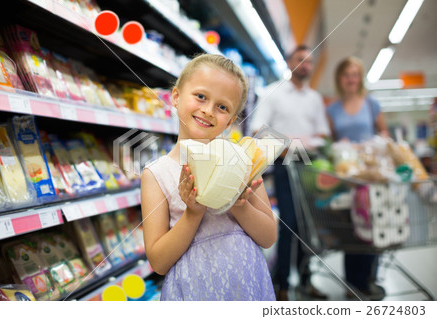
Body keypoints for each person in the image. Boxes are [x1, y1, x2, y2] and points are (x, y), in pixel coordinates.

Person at [141, 54, 277, 301]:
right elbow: (158, 262)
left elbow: (268, 238)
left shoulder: (243, 161)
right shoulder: (156, 175)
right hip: (193, 292)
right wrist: (192, 213)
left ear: (232, 120)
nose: (208, 110)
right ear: (176, 96)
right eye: (201, 96)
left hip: (247, 286)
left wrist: (238, 204)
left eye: (222, 107)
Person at [249, 45, 330, 300]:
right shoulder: (273, 92)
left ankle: (306, 281)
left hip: (310, 166)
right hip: (285, 165)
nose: (305, 64)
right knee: (289, 224)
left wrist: (308, 143)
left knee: (308, 224)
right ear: (288, 62)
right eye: (300, 59)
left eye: (309, 61)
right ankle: (282, 285)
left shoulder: (314, 98)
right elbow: (256, 129)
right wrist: (287, 145)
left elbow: (323, 134)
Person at [327, 56, 388, 300]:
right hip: (346, 178)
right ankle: (353, 282)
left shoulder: (371, 104)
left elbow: (383, 133)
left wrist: (372, 144)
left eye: (355, 74)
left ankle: (369, 278)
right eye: (346, 74)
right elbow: (329, 143)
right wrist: (337, 146)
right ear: (340, 79)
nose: (351, 79)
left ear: (359, 78)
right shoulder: (331, 109)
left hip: (371, 175)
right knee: (351, 229)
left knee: (373, 226)